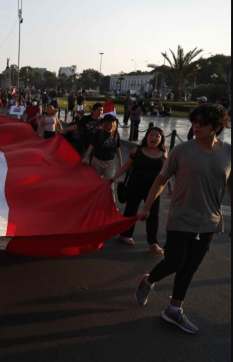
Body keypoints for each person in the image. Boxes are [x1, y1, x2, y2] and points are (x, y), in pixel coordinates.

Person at [135, 104, 231, 334]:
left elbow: (230, 184)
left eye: (202, 123)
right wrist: (147, 207)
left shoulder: (228, 151)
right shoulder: (181, 150)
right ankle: (149, 280)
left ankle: (173, 311)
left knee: (189, 268)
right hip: (181, 217)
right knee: (175, 262)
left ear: (217, 126)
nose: (196, 126)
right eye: (194, 121)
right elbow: (160, 180)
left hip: (210, 221)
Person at [110, 127, 172, 254]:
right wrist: (115, 177)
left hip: (154, 190)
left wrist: (170, 186)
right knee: (130, 211)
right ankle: (125, 235)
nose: (154, 138)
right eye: (151, 135)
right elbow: (128, 165)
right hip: (135, 186)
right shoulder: (137, 150)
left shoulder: (164, 153)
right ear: (146, 137)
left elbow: (166, 172)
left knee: (153, 214)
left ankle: (153, 243)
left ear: (161, 139)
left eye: (157, 136)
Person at [83, 114, 123, 195]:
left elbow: (117, 148)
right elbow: (91, 146)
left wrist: (120, 161)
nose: (111, 124)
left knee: (110, 184)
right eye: (109, 122)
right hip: (98, 162)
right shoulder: (98, 133)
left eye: (113, 122)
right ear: (104, 123)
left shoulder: (115, 133)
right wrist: (86, 157)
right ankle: (96, 200)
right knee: (96, 183)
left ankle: (112, 204)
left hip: (110, 163)